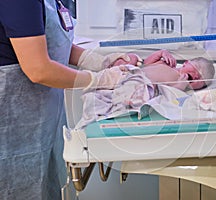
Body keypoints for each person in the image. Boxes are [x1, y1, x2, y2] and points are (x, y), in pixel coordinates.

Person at [0, 1, 132, 199]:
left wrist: (98, 61)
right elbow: (38, 69)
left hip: (43, 119)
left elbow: (46, 41)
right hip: (12, 127)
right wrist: (99, 79)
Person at [110, 49, 215, 91]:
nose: (197, 75)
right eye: (197, 67)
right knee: (132, 58)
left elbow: (168, 94)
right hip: (127, 73)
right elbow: (145, 64)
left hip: (137, 86)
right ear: (186, 63)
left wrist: (179, 87)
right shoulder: (167, 64)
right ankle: (108, 68)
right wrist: (160, 53)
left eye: (201, 79)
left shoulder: (180, 84)